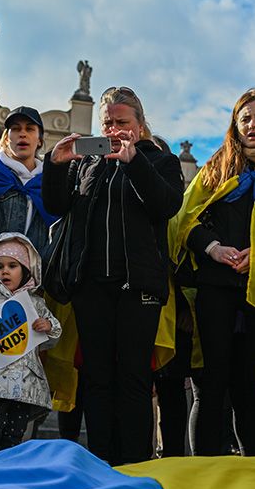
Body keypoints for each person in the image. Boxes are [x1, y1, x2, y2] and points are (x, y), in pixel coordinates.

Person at [43, 87, 183, 465]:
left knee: (134, 378)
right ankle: (102, 462)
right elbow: (55, 205)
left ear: (139, 126)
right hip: (92, 286)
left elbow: (166, 205)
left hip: (138, 287)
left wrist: (134, 161)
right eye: (108, 122)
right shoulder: (87, 163)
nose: (114, 129)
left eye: (122, 122)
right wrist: (55, 164)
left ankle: (135, 464)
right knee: (97, 378)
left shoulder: (160, 160)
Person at [171, 88, 255, 456]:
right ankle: (202, 472)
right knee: (211, 383)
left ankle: (254, 470)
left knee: (253, 386)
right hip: (215, 286)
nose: (252, 125)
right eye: (245, 118)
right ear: (235, 124)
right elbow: (186, 220)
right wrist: (213, 248)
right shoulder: (217, 166)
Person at [0, 233, 61, 458]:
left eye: (12, 265)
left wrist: (48, 326)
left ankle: (7, 477)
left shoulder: (36, 304)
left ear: (26, 269)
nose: (5, 271)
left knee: (14, 439)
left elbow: (52, 340)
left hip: (25, 387)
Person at [0, 106, 54, 255]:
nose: (22, 134)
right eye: (15, 129)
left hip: (38, 273)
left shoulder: (50, 182)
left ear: (40, 140)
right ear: (7, 138)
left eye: (29, 129)